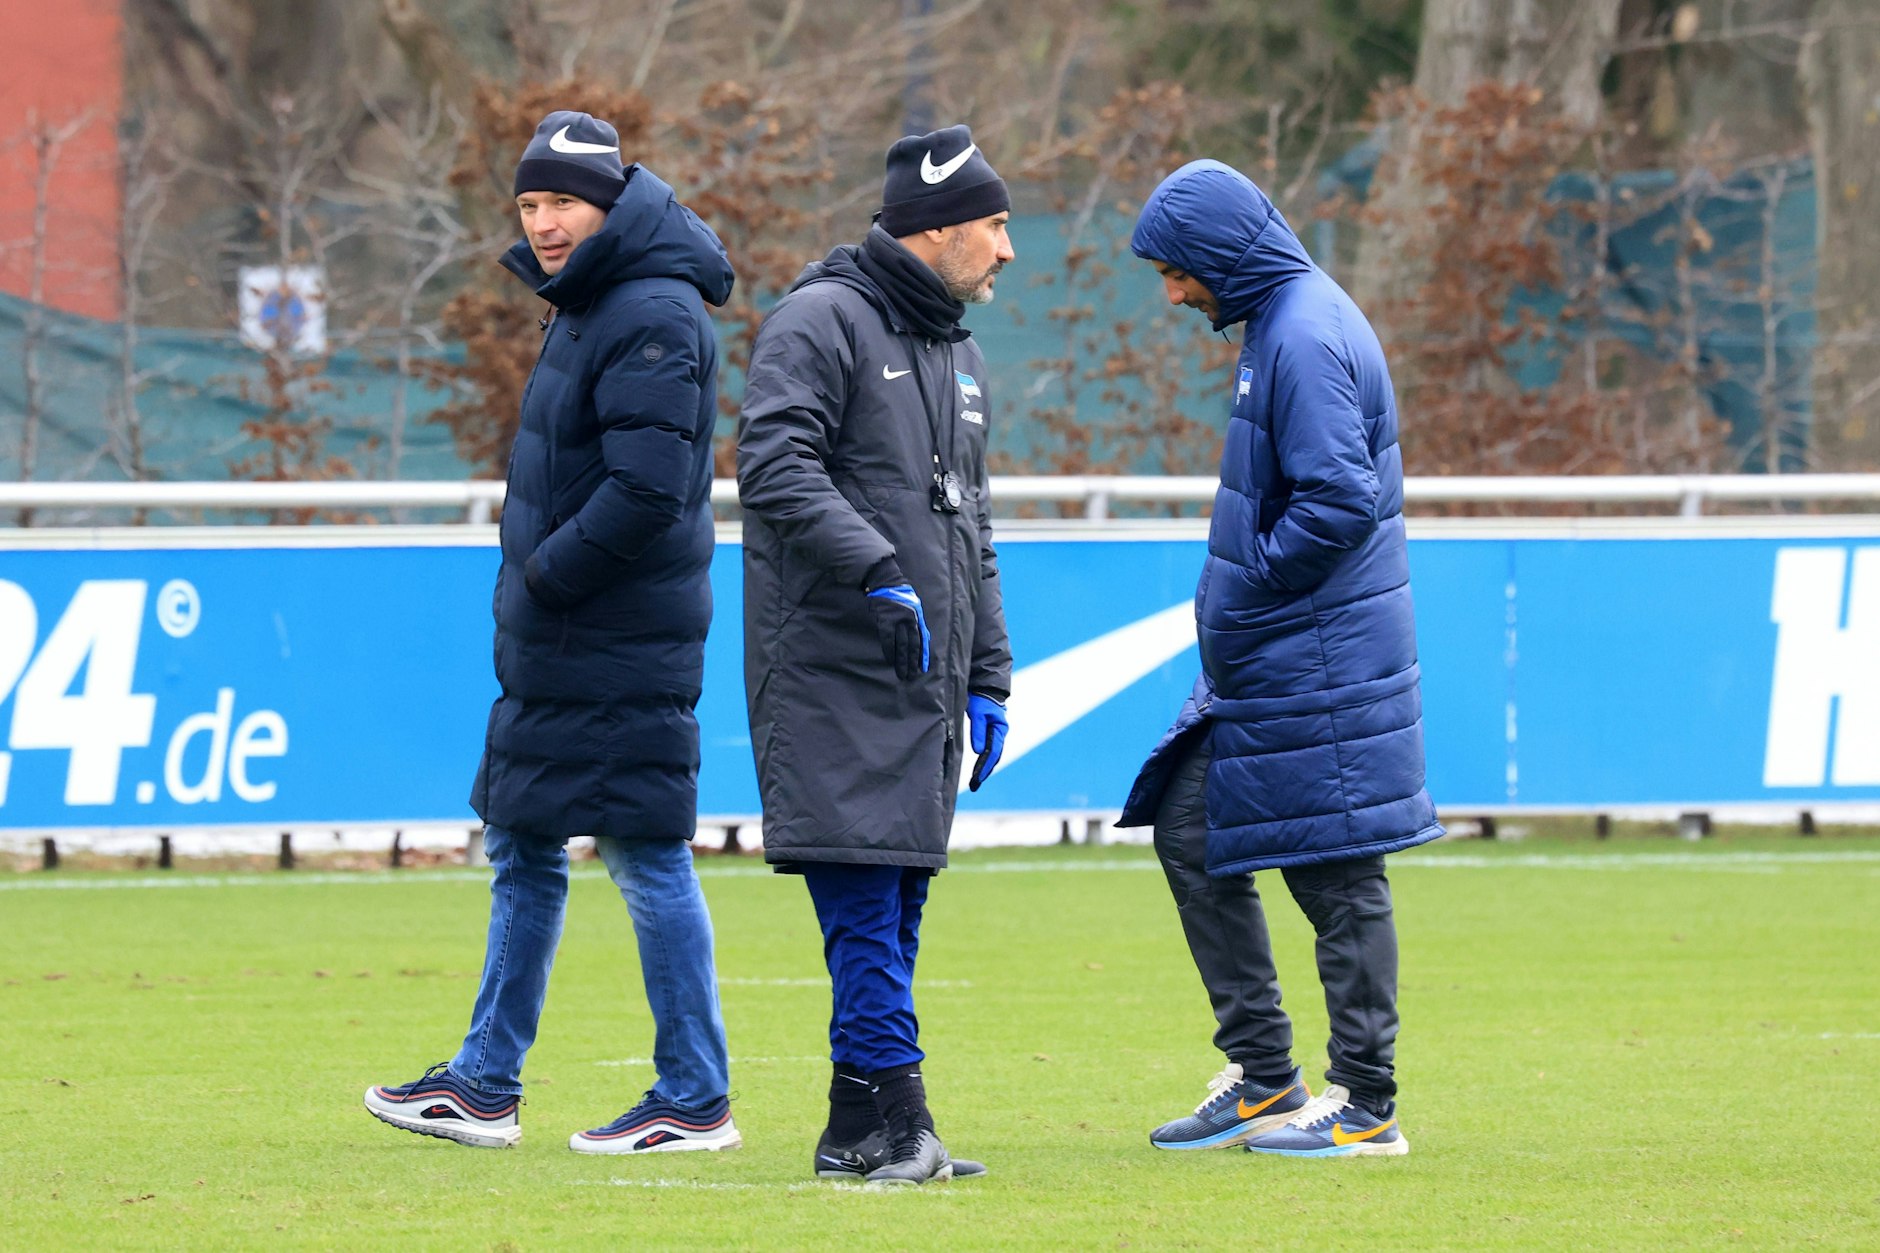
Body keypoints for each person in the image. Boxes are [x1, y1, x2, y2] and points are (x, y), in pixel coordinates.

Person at [365, 110, 741, 1156]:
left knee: (641, 850)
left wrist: (544, 575)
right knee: (525, 841)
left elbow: (647, 488)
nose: (542, 222)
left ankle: (694, 1094)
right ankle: (485, 1080)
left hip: (613, 633)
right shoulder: (592, 303)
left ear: (610, 204)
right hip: (568, 637)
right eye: (528, 203)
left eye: (561, 201)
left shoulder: (651, 310)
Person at [1116, 160, 1444, 1159]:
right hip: (1284, 652)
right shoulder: (1287, 318)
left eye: (1177, 271)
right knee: (1187, 827)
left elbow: (1337, 500)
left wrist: (1252, 580)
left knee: (1335, 870)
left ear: (1217, 255)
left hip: (1314, 652)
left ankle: (1366, 1103)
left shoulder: (1300, 331)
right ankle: (1263, 1075)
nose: (1171, 292)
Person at [736, 124, 1014, 1186]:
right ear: (934, 230)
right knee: (862, 900)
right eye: (992, 226)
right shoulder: (818, 320)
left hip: (923, 679)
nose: (1005, 249)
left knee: (895, 901)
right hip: (830, 669)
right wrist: (876, 567)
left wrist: (986, 671)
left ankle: (853, 1128)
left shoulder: (957, 350)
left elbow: (970, 526)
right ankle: (902, 1120)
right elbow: (772, 464)